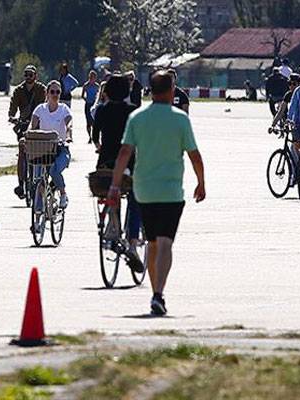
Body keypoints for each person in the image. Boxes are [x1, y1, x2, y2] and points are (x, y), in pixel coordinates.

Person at [108, 71, 206, 317]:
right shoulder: (180, 120)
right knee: (165, 243)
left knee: (152, 242)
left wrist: (115, 184)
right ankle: (158, 293)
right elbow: (194, 155)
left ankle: (155, 291)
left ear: (150, 91)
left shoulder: (137, 118)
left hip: (145, 190)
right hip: (171, 190)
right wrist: (201, 182)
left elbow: (124, 153)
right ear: (172, 91)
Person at [92, 75, 142, 261]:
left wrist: (99, 148)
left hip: (104, 163)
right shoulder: (132, 111)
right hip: (128, 163)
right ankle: (133, 241)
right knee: (135, 197)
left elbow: (95, 136)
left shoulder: (102, 111)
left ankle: (112, 220)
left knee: (111, 190)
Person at [29, 80, 73, 209]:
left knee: (54, 171)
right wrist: (27, 136)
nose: (55, 94)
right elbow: (33, 126)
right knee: (38, 179)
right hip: (42, 149)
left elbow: (69, 124)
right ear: (47, 93)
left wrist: (69, 136)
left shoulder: (64, 109)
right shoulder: (40, 109)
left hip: (60, 149)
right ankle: (38, 214)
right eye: (52, 91)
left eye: (58, 92)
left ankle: (63, 194)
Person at [8, 65, 46, 199]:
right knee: (22, 150)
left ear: (35, 76)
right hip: (23, 126)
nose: (28, 77)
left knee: (42, 153)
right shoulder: (18, 90)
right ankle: (21, 183)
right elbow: (13, 106)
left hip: (38, 126)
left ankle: (43, 179)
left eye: (31, 75)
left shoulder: (41, 89)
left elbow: (45, 105)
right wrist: (12, 116)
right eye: (26, 75)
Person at [81, 70, 99, 141]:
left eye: (94, 77)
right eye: (91, 77)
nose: (92, 78)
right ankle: (90, 137)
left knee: (94, 121)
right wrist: (86, 100)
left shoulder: (97, 86)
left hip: (94, 104)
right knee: (88, 121)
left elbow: (99, 94)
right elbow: (82, 95)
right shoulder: (86, 85)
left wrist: (96, 100)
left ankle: (95, 136)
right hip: (88, 104)